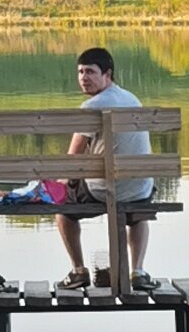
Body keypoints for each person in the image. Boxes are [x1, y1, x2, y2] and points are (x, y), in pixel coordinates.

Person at [54, 43, 154, 288]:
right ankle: (138, 272)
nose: (83, 78)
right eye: (80, 72)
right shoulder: (132, 99)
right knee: (138, 214)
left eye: (90, 72)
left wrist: (59, 185)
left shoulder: (91, 107)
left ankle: (78, 271)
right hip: (139, 188)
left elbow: (74, 156)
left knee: (63, 211)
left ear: (107, 74)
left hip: (103, 190)